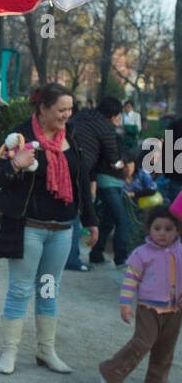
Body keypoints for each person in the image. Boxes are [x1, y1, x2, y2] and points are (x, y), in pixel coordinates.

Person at [0, 82, 98, 375]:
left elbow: (82, 182)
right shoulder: (19, 136)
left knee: (49, 290)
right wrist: (15, 164)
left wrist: (91, 221)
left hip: (62, 230)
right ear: (43, 109)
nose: (67, 115)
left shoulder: (71, 137)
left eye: (70, 109)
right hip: (29, 229)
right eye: (61, 109)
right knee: (21, 289)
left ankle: (45, 350)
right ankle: (9, 351)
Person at [99, 206, 182, 383]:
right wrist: (125, 303)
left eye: (168, 229)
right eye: (157, 228)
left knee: (166, 347)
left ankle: (156, 381)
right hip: (148, 308)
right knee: (142, 343)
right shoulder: (142, 253)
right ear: (149, 229)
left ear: (177, 230)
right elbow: (130, 279)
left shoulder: (180, 252)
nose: (162, 233)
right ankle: (110, 372)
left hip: (174, 310)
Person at [67, 96, 126, 270]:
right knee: (76, 214)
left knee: (69, 212)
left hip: (65, 163)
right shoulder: (106, 128)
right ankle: (72, 259)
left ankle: (85, 255)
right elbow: (113, 160)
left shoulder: (81, 116)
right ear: (113, 114)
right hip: (80, 169)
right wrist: (126, 162)